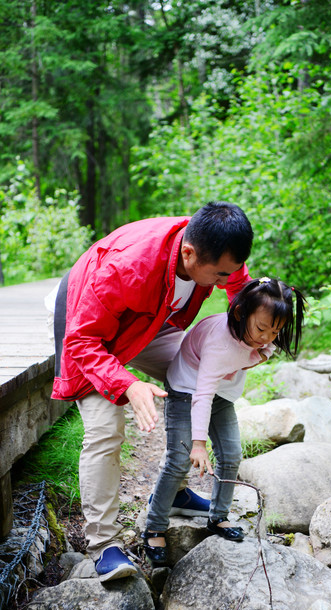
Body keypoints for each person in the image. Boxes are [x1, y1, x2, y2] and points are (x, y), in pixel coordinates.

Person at [51, 202, 254, 581]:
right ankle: (104, 544)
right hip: (87, 323)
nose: (225, 281)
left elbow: (240, 289)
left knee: (196, 375)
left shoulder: (218, 250)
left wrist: (248, 338)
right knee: (106, 427)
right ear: (189, 253)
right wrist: (127, 384)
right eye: (218, 275)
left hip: (150, 319)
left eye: (229, 271)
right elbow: (83, 342)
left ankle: (175, 491)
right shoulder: (127, 267)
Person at [142, 277, 306, 567]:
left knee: (231, 455)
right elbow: (201, 394)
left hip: (221, 395)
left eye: (276, 330)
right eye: (261, 329)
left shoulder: (259, 335)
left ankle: (217, 517)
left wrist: (261, 348)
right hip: (187, 389)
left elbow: (257, 352)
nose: (267, 337)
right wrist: (198, 444)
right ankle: (155, 525)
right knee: (179, 459)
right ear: (241, 312)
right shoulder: (221, 344)